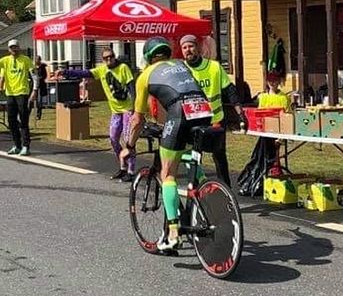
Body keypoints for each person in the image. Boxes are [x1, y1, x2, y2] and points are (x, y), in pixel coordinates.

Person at [120, 36, 213, 251]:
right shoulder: (181, 65)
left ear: (147, 57)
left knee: (168, 173)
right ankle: (206, 189)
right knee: (189, 156)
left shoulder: (144, 76)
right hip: (202, 109)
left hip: (179, 113)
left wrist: (130, 147)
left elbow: (137, 119)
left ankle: (173, 232)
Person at [56, 47, 136, 182]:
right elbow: (84, 73)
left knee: (128, 141)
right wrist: (65, 72)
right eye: (106, 58)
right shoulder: (102, 70)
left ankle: (131, 170)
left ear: (114, 56)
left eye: (111, 56)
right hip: (115, 111)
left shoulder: (123, 68)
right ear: (103, 60)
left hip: (127, 109)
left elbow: (131, 86)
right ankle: (122, 167)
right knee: (113, 138)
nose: (109, 59)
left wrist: (134, 107)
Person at [180, 34, 246, 186]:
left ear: (198, 48)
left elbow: (230, 91)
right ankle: (196, 193)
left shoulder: (214, 67)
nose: (188, 50)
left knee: (220, 156)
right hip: (192, 122)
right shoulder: (181, 70)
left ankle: (226, 193)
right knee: (193, 158)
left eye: (191, 46)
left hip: (215, 121)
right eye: (184, 48)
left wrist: (240, 113)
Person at [0, 40, 37, 156]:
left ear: (19, 48)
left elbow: (34, 76)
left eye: (16, 47)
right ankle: (17, 145)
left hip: (22, 93)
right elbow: (2, 76)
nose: (14, 49)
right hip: (10, 94)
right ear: (9, 49)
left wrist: (34, 91)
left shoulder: (25, 60)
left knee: (24, 120)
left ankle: (26, 146)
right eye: (11, 48)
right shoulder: (5, 61)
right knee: (11, 121)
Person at [34, 56, 48, 120]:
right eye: (36, 60)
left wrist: (40, 78)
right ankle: (35, 112)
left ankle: (38, 114)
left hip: (41, 85)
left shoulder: (42, 67)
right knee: (35, 100)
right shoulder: (33, 67)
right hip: (34, 86)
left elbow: (45, 75)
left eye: (38, 60)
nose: (37, 61)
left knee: (40, 101)